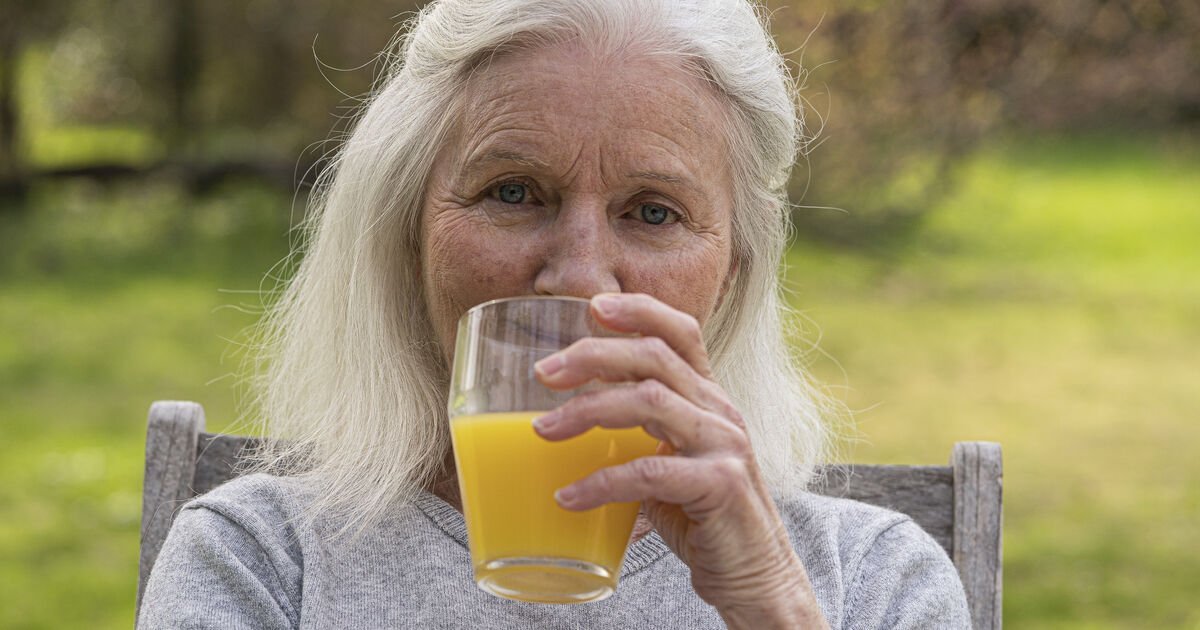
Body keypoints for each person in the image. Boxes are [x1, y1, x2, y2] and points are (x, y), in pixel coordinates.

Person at [138, 0, 971, 627]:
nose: (578, 279)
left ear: (732, 274)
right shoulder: (260, 560)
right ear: (405, 236)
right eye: (512, 192)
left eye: (652, 212)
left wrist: (771, 605)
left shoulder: (869, 578)